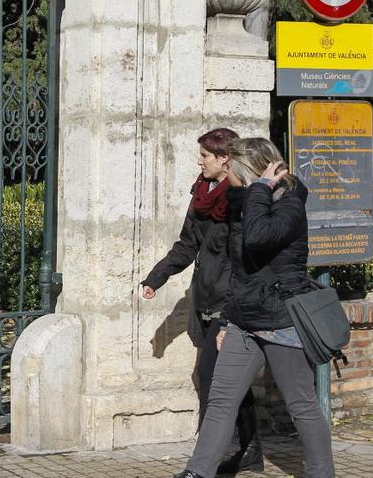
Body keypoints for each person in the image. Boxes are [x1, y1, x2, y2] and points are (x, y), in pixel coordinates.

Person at [174, 138, 334, 478]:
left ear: (252, 170)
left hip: (282, 320)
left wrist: (260, 188)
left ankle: (322, 473)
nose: (225, 169)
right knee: (221, 399)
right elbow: (239, 270)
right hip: (245, 321)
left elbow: (260, 237)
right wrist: (228, 320)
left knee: (301, 404)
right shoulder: (241, 203)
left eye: (232, 164)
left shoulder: (288, 201)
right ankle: (198, 472)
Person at [141, 128, 263, 475]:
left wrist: (231, 315)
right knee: (228, 381)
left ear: (225, 159)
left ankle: (210, 459)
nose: (200, 160)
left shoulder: (240, 201)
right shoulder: (202, 193)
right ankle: (250, 447)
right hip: (206, 300)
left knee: (213, 380)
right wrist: (156, 277)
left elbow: (244, 262)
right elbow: (186, 245)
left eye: (206, 155)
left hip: (230, 305)